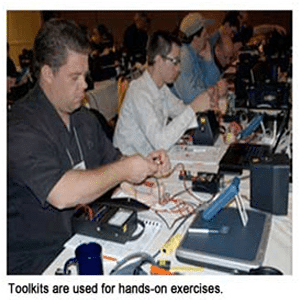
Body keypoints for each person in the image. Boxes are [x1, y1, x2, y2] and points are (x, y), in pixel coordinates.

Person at [7, 19, 170, 275]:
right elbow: (62, 193)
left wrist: (148, 165)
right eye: (75, 77)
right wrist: (125, 170)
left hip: (85, 239)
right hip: (40, 262)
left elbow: (114, 164)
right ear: (47, 73)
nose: (84, 85)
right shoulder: (19, 127)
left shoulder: (83, 118)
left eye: (85, 75)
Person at [113, 30, 219, 156]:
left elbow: (181, 111)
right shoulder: (139, 92)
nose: (179, 68)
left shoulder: (161, 88)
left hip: (148, 159)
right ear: (158, 60)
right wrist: (194, 107)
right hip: (127, 164)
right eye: (175, 61)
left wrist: (207, 110)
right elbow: (160, 143)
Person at [171, 12, 227, 105]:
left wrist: (208, 58)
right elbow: (189, 97)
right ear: (195, 38)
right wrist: (215, 90)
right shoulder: (184, 57)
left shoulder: (195, 52)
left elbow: (211, 81)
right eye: (205, 34)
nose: (207, 36)